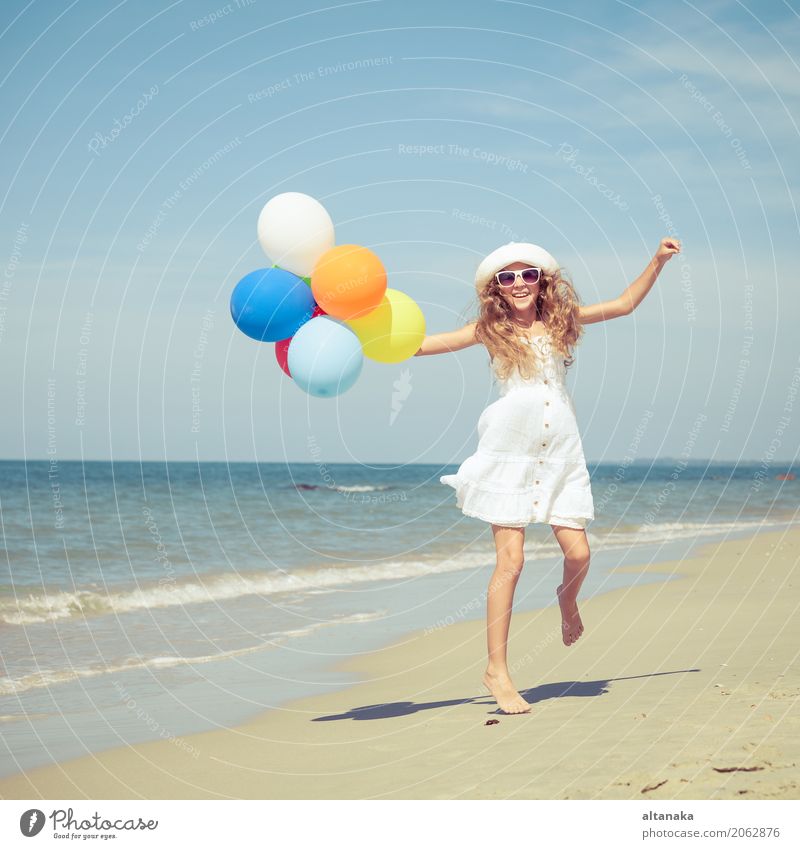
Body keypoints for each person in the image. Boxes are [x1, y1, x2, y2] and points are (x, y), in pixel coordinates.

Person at [414, 238, 681, 714]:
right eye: (507, 277)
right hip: (508, 452)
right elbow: (419, 345)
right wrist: (352, 328)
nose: (518, 283)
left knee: (579, 552)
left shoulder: (561, 324)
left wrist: (657, 261)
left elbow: (623, 304)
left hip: (560, 452)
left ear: (543, 283)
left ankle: (567, 600)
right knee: (510, 564)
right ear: (496, 287)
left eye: (528, 274)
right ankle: (497, 671)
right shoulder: (486, 331)